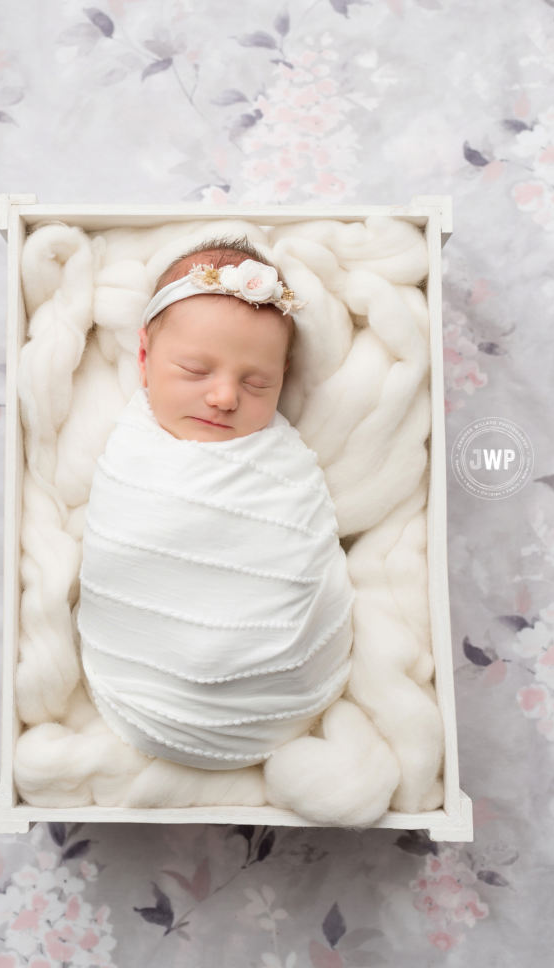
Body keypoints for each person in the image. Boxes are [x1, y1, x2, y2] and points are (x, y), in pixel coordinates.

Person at [77, 237, 356, 771]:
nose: (225, 397)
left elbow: (298, 548)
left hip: (276, 687)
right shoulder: (132, 449)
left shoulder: (279, 462)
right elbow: (121, 548)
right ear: (143, 356)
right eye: (195, 371)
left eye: (257, 383)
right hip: (143, 687)